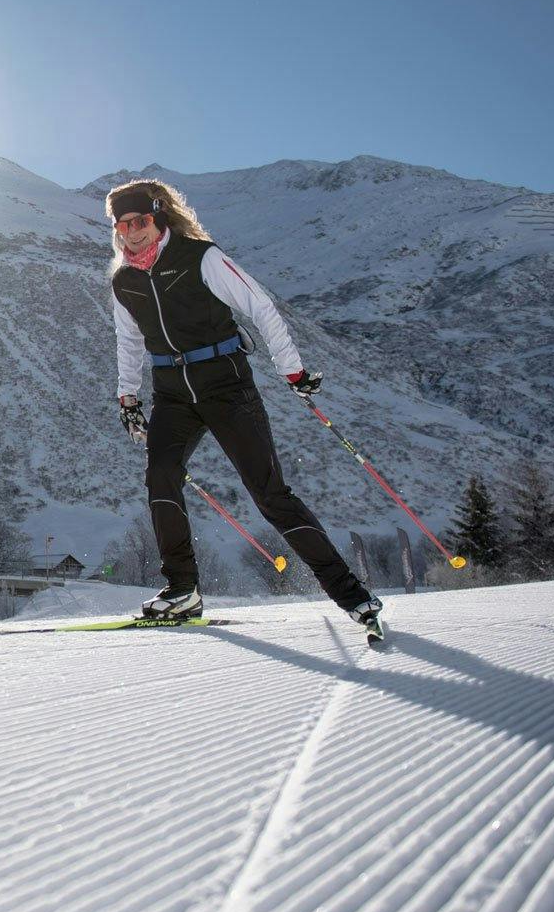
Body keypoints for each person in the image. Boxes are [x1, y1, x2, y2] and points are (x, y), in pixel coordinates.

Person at [105, 178, 382, 631]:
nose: (133, 231)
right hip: (172, 392)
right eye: (123, 225)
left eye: (141, 220)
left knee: (270, 494)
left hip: (226, 386)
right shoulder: (125, 280)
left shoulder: (201, 257)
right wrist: (128, 395)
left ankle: (352, 595)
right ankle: (182, 590)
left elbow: (261, 307)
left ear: (159, 217)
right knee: (161, 476)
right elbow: (129, 340)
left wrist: (291, 368)